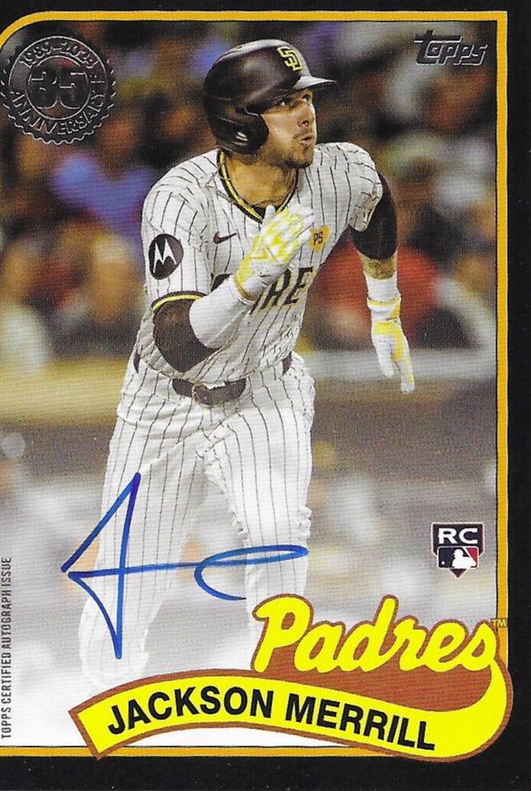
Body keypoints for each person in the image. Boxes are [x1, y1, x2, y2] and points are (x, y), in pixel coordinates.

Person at [76, 39, 415, 690]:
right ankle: (98, 705)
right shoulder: (181, 198)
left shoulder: (341, 170)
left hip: (265, 391)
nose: (306, 113)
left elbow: (374, 209)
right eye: (283, 103)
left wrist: (385, 307)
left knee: (278, 531)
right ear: (239, 121)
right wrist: (245, 284)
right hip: (167, 400)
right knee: (126, 579)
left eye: (305, 97)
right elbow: (176, 343)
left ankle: (277, 693)